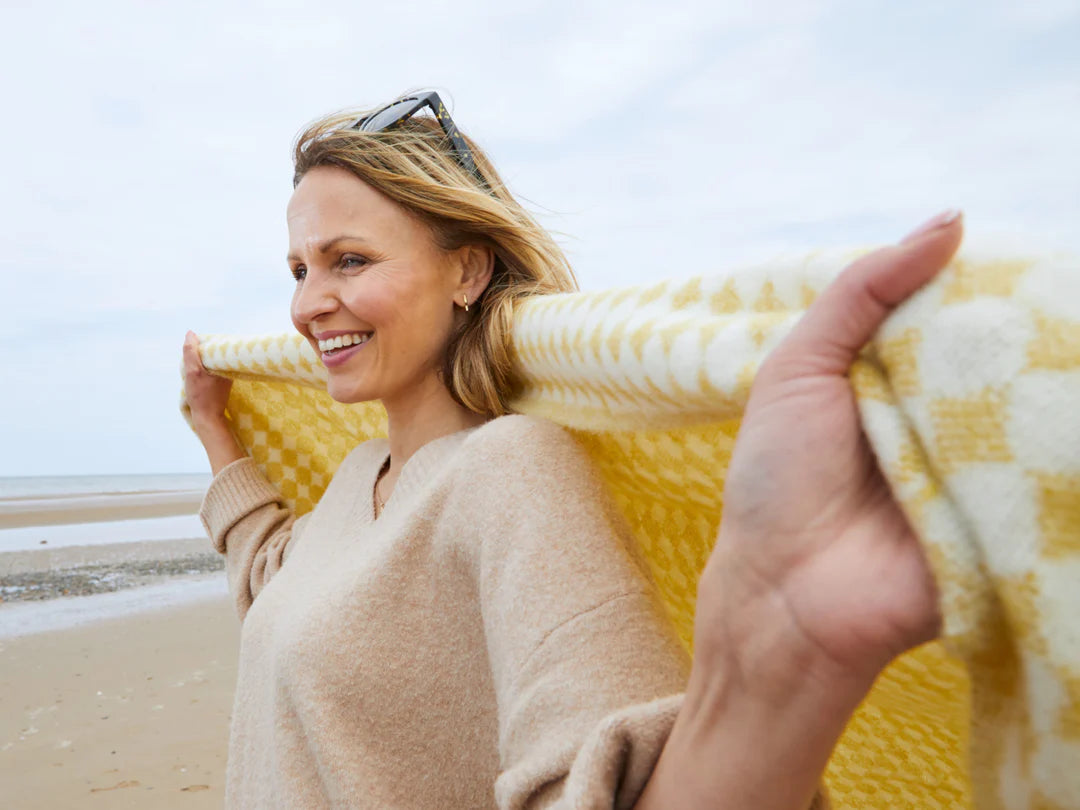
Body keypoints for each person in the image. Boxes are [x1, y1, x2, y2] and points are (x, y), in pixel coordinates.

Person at [182, 90, 961, 809]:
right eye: (299, 268)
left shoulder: (510, 471)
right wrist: (214, 427)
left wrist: (787, 668)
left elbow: (611, 784)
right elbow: (274, 583)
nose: (307, 303)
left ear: (468, 269)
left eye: (349, 260)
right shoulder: (360, 480)